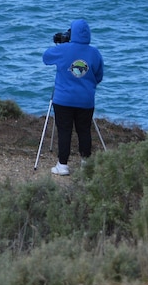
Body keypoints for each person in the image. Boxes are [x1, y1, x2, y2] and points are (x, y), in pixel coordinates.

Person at [42, 18, 104, 175]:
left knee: (64, 130)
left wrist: (63, 44)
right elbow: (99, 76)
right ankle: (86, 163)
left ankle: (62, 165)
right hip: (86, 100)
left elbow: (46, 57)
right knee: (84, 130)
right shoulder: (94, 53)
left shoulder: (63, 49)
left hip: (63, 99)